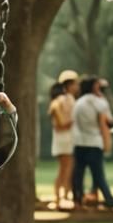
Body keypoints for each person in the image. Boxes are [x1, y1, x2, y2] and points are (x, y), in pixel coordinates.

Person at [72, 75, 113, 210]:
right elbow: (110, 121)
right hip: (94, 142)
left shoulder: (78, 102)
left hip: (79, 142)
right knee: (98, 175)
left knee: (78, 174)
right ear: (94, 87)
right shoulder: (100, 102)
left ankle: (78, 200)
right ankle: (109, 199)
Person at [48, 70, 79, 208]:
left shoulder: (65, 100)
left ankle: (64, 196)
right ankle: (58, 198)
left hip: (65, 138)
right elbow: (61, 124)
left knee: (67, 168)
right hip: (65, 138)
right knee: (65, 169)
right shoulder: (64, 100)